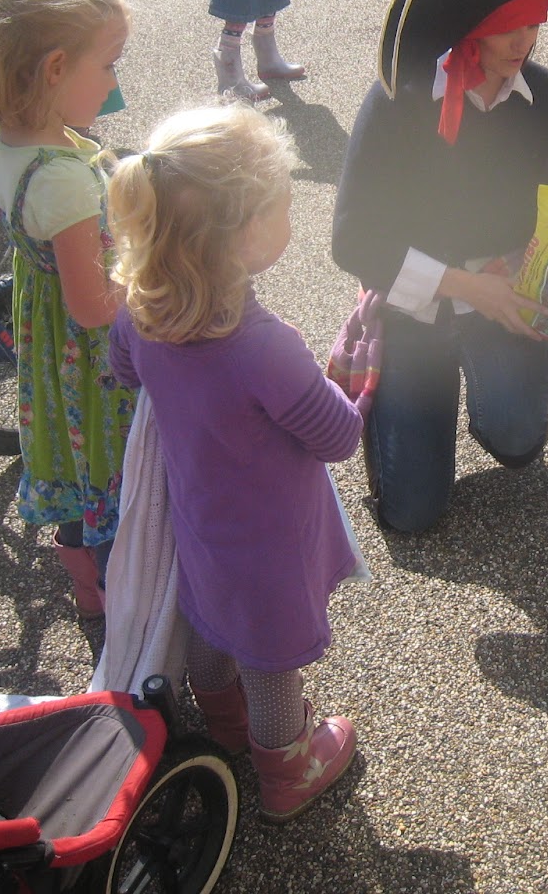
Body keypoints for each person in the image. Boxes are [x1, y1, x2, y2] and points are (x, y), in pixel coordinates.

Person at [107, 105, 361, 823]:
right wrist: (350, 383)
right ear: (245, 233)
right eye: (283, 204)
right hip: (269, 536)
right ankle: (286, 770)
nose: (290, 216)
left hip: (196, 514)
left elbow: (124, 372)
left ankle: (223, 721)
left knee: (208, 617)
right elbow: (338, 436)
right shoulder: (263, 346)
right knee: (270, 654)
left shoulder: (139, 310)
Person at [331, 0, 548, 534]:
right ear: (471, 27)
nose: (524, 43)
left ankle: (487, 404)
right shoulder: (399, 99)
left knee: (519, 441)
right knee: (412, 516)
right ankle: (404, 418)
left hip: (502, 298)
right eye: (506, 27)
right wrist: (467, 287)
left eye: (534, 25)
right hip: (413, 308)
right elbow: (353, 239)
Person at [0, 0, 135, 623]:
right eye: (108, 65)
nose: (115, 82)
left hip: (49, 340)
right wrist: (155, 282)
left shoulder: (12, 140)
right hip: (92, 360)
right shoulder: (61, 179)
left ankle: (86, 585)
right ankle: (126, 597)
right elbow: (93, 305)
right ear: (56, 68)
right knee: (112, 469)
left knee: (77, 464)